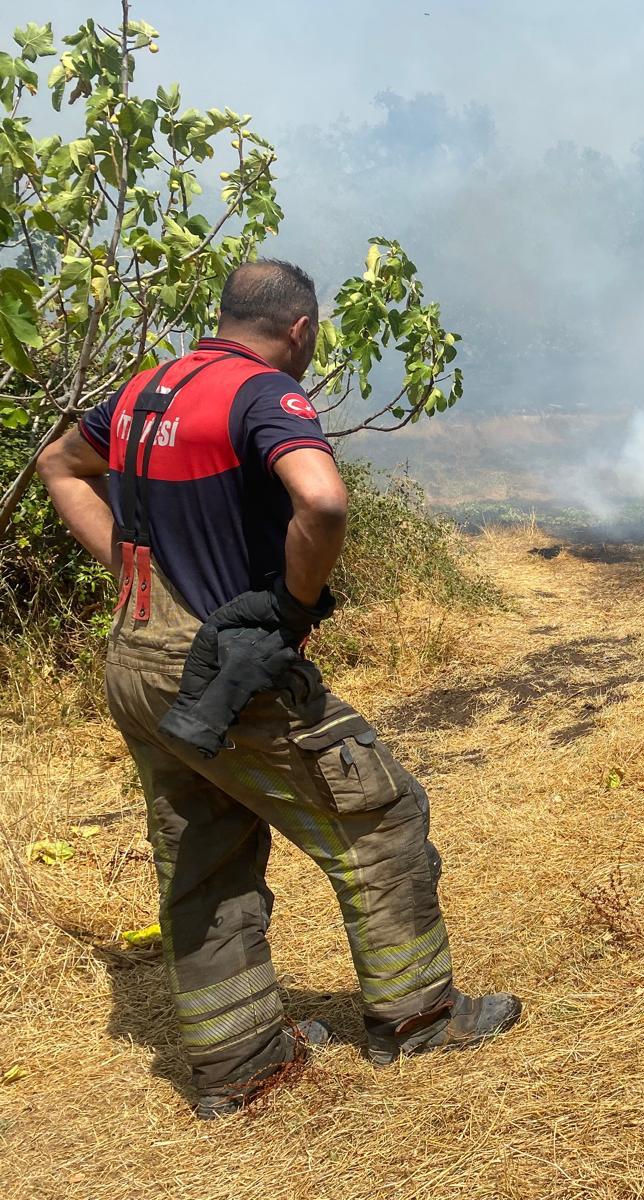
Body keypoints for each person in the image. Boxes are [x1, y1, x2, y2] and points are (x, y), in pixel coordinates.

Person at [37, 259, 522, 1119]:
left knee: (204, 852)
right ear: (301, 330)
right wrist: (290, 609)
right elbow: (323, 502)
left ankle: (240, 1067)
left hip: (136, 658)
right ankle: (421, 1018)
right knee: (381, 818)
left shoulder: (148, 388)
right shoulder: (262, 394)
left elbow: (59, 467)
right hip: (224, 670)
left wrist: (130, 568)